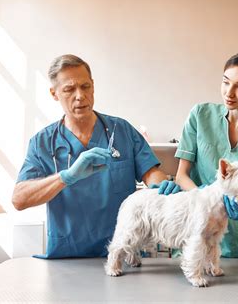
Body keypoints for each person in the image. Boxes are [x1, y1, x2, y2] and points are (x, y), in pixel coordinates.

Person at [12, 54, 180, 258]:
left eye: (85, 87)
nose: (80, 95)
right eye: (69, 89)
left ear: (93, 85)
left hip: (124, 254)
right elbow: (19, 199)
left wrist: (163, 186)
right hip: (69, 258)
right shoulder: (43, 143)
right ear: (54, 93)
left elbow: (151, 173)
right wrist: (65, 177)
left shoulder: (122, 131)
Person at [174, 50, 238, 258]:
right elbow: (181, 176)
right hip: (194, 234)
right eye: (225, 82)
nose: (229, 93)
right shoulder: (200, 115)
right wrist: (203, 204)